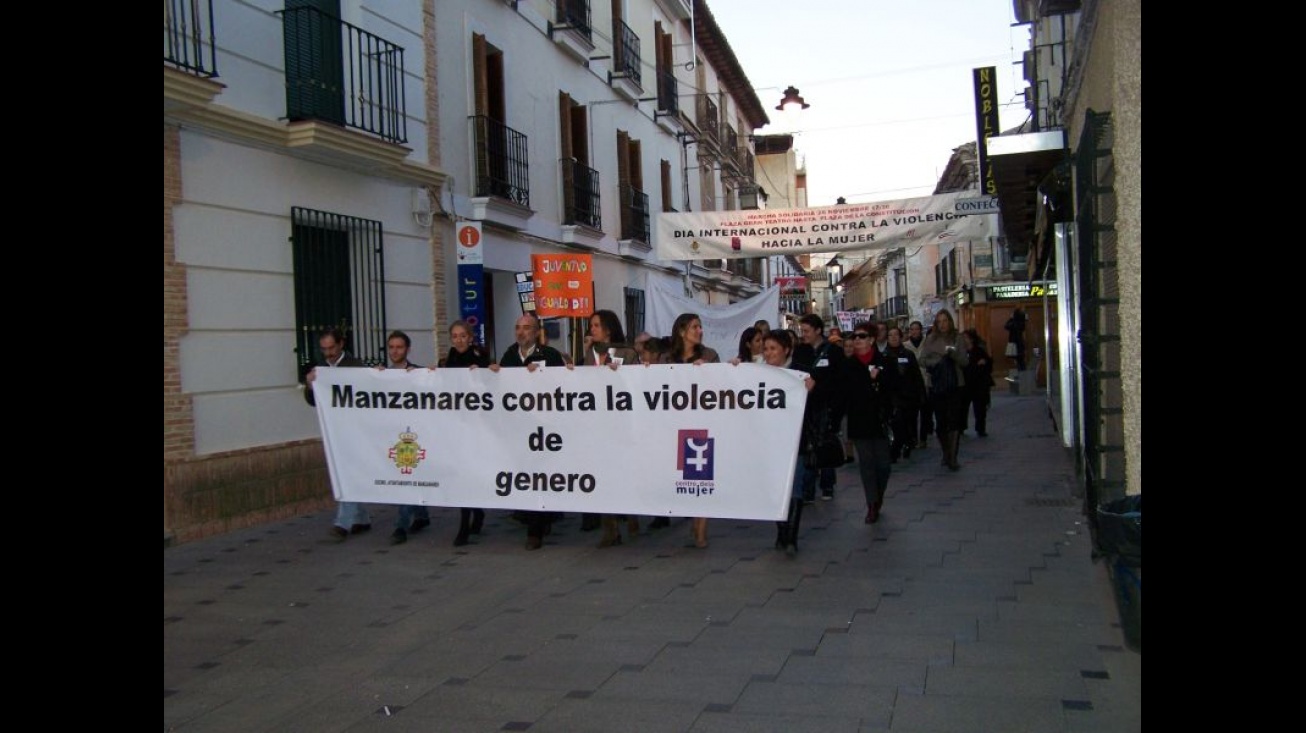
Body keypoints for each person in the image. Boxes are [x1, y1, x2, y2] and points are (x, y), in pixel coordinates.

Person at [490, 313, 569, 549]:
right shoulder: (509, 355)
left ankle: (535, 530)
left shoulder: (550, 355)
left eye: (526, 328)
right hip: (518, 426)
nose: (520, 332)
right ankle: (539, 516)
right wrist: (492, 373)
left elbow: (563, 386)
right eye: (517, 328)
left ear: (536, 332)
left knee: (539, 473)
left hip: (544, 426)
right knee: (524, 472)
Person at [658, 313, 720, 548]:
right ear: (682, 331)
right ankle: (692, 515)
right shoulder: (666, 358)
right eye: (695, 327)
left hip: (700, 422)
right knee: (680, 474)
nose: (699, 331)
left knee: (700, 474)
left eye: (700, 327)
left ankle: (701, 526)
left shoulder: (709, 355)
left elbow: (720, 385)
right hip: (674, 423)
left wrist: (707, 373)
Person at [304, 328, 371, 541]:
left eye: (331, 348)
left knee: (347, 474)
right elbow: (314, 400)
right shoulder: (322, 369)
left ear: (341, 344)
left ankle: (343, 523)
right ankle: (361, 518)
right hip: (337, 432)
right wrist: (310, 385)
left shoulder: (355, 367)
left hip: (355, 430)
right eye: (324, 349)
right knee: (346, 472)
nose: (328, 353)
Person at [582, 310, 641, 548]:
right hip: (599, 424)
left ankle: (633, 513)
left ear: (608, 328)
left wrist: (623, 376)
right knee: (604, 475)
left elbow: (638, 384)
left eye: (596, 325)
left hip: (623, 423)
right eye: (591, 325)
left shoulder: (627, 352)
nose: (592, 330)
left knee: (625, 473)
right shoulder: (590, 354)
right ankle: (610, 528)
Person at [439, 320, 494, 546]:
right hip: (457, 425)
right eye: (455, 336)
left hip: (477, 425)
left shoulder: (480, 358)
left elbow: (490, 384)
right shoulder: (448, 361)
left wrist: (484, 373)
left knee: (472, 472)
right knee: (462, 474)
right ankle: (471, 516)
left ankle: (470, 519)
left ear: (470, 337)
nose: (459, 340)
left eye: (463, 335)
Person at [757, 329, 811, 554]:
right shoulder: (756, 373)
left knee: (795, 487)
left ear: (785, 350)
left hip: (794, 440)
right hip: (768, 441)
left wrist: (809, 387)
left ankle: (791, 536)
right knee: (775, 487)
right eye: (766, 349)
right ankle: (781, 531)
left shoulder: (798, 374)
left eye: (773, 349)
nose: (769, 353)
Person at [376, 331, 432, 545]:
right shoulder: (383, 375)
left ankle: (400, 525)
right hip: (393, 435)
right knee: (407, 476)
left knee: (406, 476)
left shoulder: (418, 373)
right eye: (391, 347)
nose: (395, 351)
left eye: (399, 347)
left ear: (407, 349)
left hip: (414, 438)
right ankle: (421, 515)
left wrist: (427, 375)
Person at [839, 321, 893, 524]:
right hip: (859, 420)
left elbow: (893, 387)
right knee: (867, 464)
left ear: (871, 340)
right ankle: (871, 504)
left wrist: (878, 380)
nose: (857, 340)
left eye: (861, 336)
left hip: (880, 420)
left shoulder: (884, 361)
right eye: (855, 337)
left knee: (884, 466)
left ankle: (877, 496)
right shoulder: (849, 365)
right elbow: (845, 393)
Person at [793, 313, 845, 503]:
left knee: (825, 441)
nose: (803, 334)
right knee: (808, 445)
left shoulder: (834, 352)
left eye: (806, 331)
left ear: (817, 331)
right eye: (801, 330)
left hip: (826, 406)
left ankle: (828, 484)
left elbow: (839, 381)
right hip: (806, 405)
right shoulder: (800, 351)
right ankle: (807, 489)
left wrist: (820, 388)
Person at [918, 309, 967, 471]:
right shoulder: (930, 339)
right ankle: (946, 452)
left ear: (950, 322)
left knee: (954, 420)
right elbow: (922, 360)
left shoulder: (957, 338)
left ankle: (953, 457)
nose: (942, 324)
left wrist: (952, 355)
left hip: (955, 384)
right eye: (939, 321)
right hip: (937, 384)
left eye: (945, 321)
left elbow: (964, 361)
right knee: (940, 422)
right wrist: (936, 362)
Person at [879, 326, 926, 463]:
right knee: (897, 424)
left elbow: (916, 376)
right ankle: (895, 450)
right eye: (890, 335)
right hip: (893, 398)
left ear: (900, 337)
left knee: (909, 423)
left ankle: (908, 444)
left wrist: (921, 394)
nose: (893, 338)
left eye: (896, 335)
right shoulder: (884, 356)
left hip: (909, 396)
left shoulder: (908, 355)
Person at [904, 320, 933, 450]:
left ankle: (923, 438)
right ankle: (914, 437)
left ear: (921, 330)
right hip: (912, 383)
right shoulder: (905, 346)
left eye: (917, 329)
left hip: (926, 382)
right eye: (912, 329)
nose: (914, 331)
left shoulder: (928, 343)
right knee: (912, 414)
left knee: (926, 412)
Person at [960, 328, 995, 437]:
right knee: (962, 407)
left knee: (979, 408)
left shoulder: (979, 350)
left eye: (965, 338)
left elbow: (988, 363)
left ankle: (980, 428)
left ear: (971, 339)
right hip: (965, 383)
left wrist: (983, 363)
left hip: (979, 384)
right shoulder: (961, 352)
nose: (964, 340)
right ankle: (961, 427)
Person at [1005, 307, 1028, 371]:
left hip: (1014, 344)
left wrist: (1011, 318)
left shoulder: (1015, 323)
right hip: (1019, 344)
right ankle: (1022, 374)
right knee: (1020, 361)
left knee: (1019, 361)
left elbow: (1006, 326)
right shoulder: (1021, 322)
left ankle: (1022, 374)